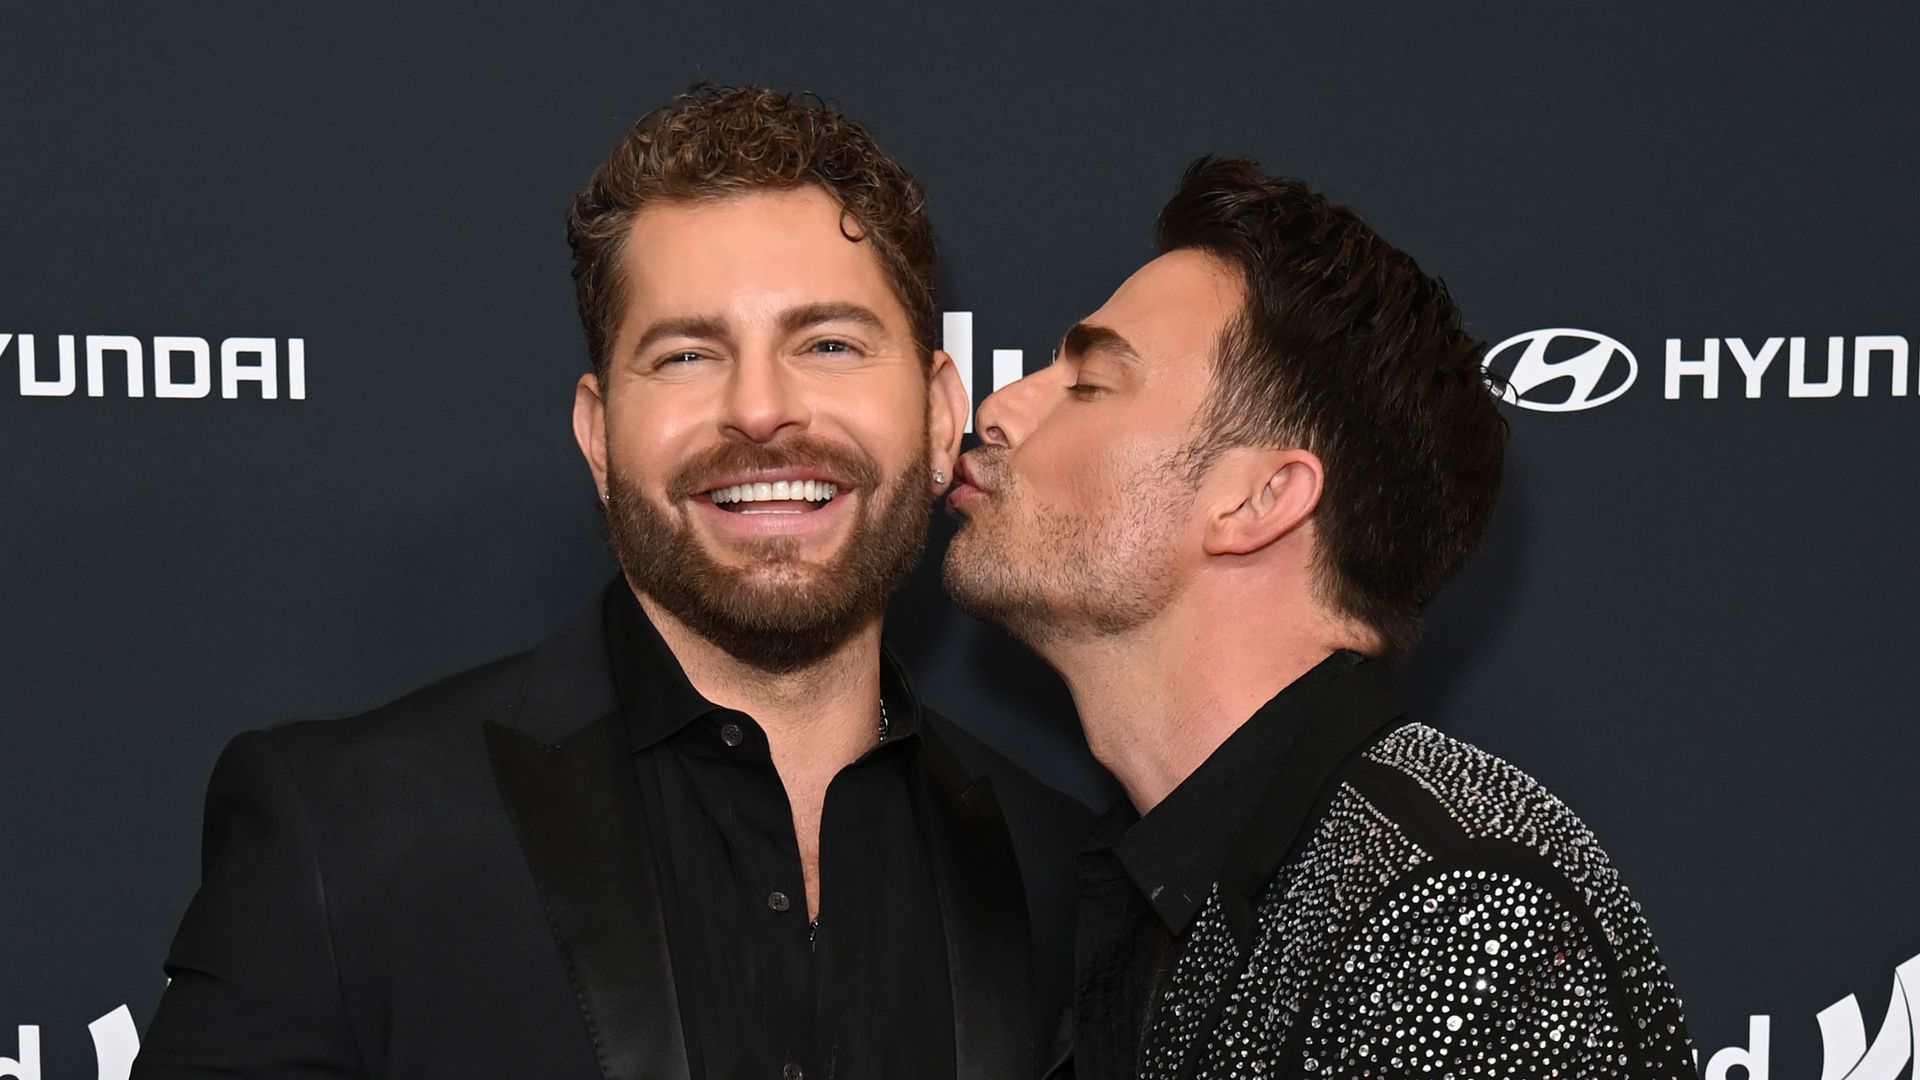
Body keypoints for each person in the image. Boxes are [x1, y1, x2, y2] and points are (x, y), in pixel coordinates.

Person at [134, 85, 1089, 1080]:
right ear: (599, 436)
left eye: (829, 345)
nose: (760, 408)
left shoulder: (1059, 876)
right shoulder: (342, 837)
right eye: (687, 355)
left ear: (939, 416)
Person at [943, 157, 1694, 1080]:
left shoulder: (1461, 909)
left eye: (1091, 382)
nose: (999, 409)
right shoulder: (1166, 895)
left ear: (1258, 500)